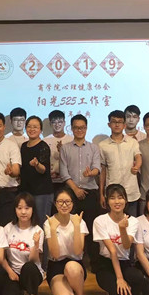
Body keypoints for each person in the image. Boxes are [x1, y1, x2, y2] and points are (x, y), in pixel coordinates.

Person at [93, 184, 146, 295]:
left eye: (120, 197)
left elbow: (127, 246)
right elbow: (112, 251)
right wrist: (120, 278)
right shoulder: (100, 221)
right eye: (112, 198)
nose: (117, 201)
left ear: (126, 200)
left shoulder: (133, 221)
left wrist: (122, 229)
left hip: (124, 262)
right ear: (107, 201)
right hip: (105, 264)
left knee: (138, 277)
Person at [59, 114, 101, 268]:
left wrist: (91, 173)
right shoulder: (65, 148)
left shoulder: (94, 148)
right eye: (76, 128)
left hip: (90, 192)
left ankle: (94, 263)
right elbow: (64, 173)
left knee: (91, 229)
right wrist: (75, 189)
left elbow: (97, 168)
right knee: (71, 229)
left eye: (82, 127)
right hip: (71, 194)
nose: (79, 130)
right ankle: (73, 261)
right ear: (71, 128)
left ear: (86, 128)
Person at [44, 187, 89, 295]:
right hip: (56, 265)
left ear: (72, 203)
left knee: (71, 268)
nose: (64, 205)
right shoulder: (49, 222)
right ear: (55, 203)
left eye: (67, 202)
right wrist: (53, 229)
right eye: (60, 202)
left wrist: (76, 226)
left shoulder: (79, 221)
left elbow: (78, 251)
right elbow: (55, 254)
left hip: (75, 265)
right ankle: (68, 290)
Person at [1, 192, 44, 295]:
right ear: (15, 210)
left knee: (29, 267)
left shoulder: (38, 230)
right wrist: (10, 271)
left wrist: (36, 244)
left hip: (31, 272)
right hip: (14, 273)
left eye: (27, 208)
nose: (23, 212)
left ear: (32, 209)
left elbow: (34, 260)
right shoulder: (8, 228)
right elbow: (1, 256)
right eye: (19, 208)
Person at [99, 110, 142, 217]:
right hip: (112, 193)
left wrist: (137, 166)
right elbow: (102, 170)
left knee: (132, 223)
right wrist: (101, 194)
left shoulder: (132, 142)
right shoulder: (102, 145)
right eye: (114, 122)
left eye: (120, 122)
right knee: (113, 224)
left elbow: (138, 156)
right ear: (109, 124)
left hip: (131, 191)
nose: (117, 124)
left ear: (124, 125)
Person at [19, 116, 52, 227]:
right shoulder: (23, 146)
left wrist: (37, 164)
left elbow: (44, 170)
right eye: (29, 126)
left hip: (42, 192)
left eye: (35, 127)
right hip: (26, 191)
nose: (32, 129)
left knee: (42, 223)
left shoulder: (43, 146)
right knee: (28, 223)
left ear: (40, 130)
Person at [43, 110, 73, 192]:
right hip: (50, 181)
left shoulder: (71, 140)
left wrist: (62, 152)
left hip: (69, 181)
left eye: (60, 122)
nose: (57, 125)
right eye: (54, 122)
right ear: (50, 124)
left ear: (64, 123)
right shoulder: (45, 141)